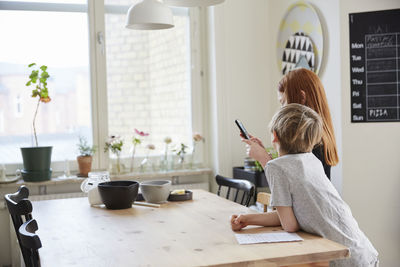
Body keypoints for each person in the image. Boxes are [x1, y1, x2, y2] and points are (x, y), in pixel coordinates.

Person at [231, 103, 378, 267]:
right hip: (363, 254)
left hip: (339, 260)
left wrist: (263, 159)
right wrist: (248, 219)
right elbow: (296, 214)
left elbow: (290, 225)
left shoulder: (275, 168)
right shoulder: (312, 160)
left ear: (274, 136)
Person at [245, 68, 338, 179]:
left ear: (302, 97)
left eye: (283, 102)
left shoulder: (311, 142)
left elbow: (288, 185)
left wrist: (263, 158)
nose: (281, 110)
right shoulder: (317, 136)